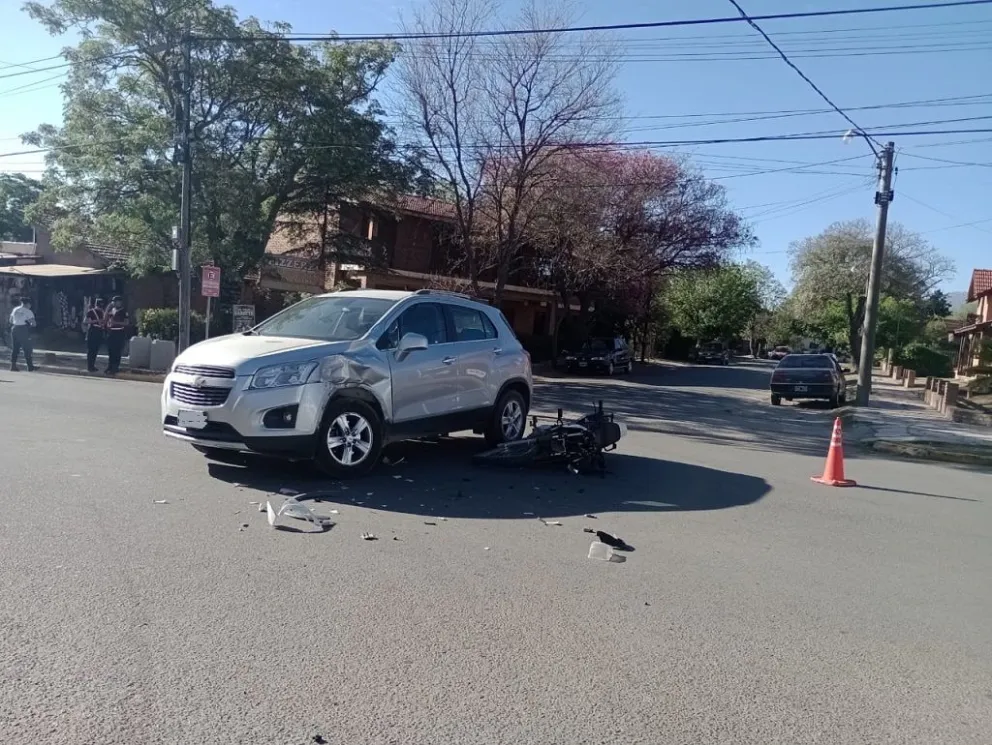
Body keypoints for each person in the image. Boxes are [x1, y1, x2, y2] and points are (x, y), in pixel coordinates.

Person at [8, 297, 37, 372]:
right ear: (28, 304)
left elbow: (10, 320)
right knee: (27, 348)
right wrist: (29, 324)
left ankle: (13, 366)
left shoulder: (15, 309)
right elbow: (34, 324)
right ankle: (30, 366)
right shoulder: (28, 311)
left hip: (14, 329)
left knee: (15, 348)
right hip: (23, 329)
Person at [104, 296, 129, 376]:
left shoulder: (123, 311)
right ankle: (110, 366)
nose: (114, 303)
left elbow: (126, 322)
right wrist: (108, 308)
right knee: (110, 351)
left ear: (120, 302)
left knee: (117, 351)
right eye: (113, 301)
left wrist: (116, 323)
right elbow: (105, 318)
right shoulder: (111, 310)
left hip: (119, 333)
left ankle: (115, 368)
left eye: (116, 301)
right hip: (111, 333)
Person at [83, 298, 106, 373]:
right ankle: (90, 366)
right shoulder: (91, 311)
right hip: (93, 330)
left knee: (95, 350)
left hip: (99, 331)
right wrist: (96, 321)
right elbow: (85, 321)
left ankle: (92, 366)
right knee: (91, 350)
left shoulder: (103, 312)